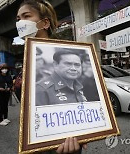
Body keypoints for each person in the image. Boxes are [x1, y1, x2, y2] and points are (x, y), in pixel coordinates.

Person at [16, 0, 87, 153]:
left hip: (67, 142)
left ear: (45, 23)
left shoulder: (67, 53)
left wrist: (86, 132)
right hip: (40, 140)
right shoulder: (27, 59)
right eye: (18, 19)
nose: (21, 22)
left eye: (26, 16)